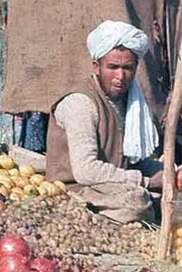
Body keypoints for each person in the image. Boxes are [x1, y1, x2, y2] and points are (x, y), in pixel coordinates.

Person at [46, 19, 162, 223]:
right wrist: (146, 181)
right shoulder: (80, 103)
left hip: (114, 185)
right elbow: (86, 171)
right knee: (136, 202)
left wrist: (167, 173)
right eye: (113, 67)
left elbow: (134, 160)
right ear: (96, 66)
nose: (121, 76)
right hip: (78, 191)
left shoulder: (132, 103)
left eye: (128, 68)